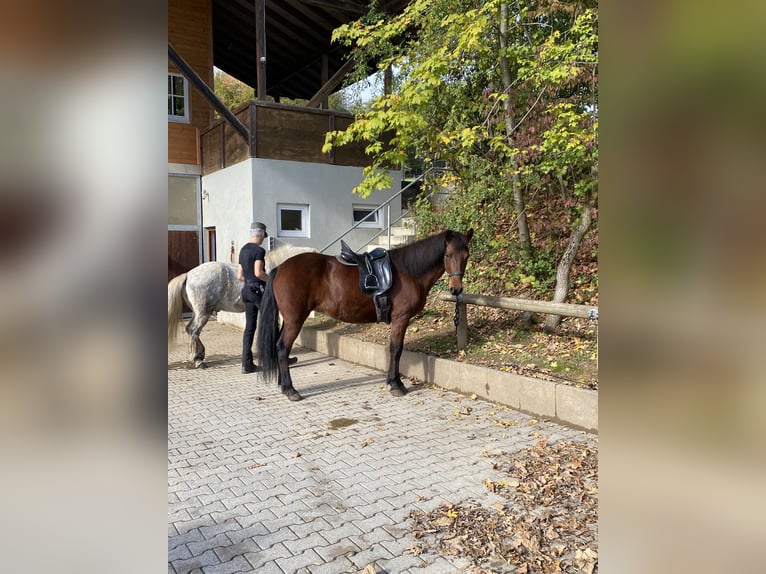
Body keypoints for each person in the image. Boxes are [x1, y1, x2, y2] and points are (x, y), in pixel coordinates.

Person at [237, 222, 270, 373]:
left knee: (250, 327)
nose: (264, 238)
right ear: (262, 234)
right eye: (264, 236)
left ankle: (246, 363)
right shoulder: (259, 250)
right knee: (270, 323)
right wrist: (271, 280)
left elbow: (240, 275)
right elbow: (258, 272)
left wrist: (250, 283)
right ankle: (274, 358)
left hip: (246, 292)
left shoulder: (243, 250)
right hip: (258, 292)